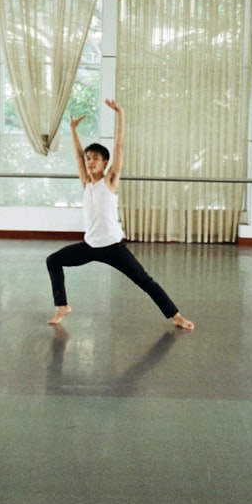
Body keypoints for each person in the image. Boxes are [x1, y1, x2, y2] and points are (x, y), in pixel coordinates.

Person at [46, 99, 195, 330]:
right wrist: (73, 131)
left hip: (114, 247)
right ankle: (62, 306)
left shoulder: (109, 181)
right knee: (53, 261)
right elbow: (77, 155)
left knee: (145, 281)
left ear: (105, 163)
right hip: (89, 246)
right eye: (88, 158)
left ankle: (176, 316)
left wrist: (121, 113)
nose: (90, 162)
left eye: (95, 158)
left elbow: (119, 146)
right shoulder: (86, 183)